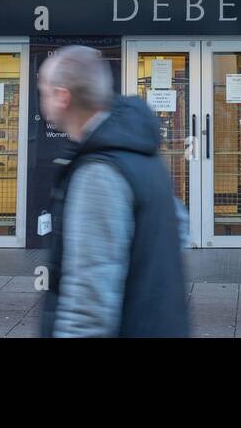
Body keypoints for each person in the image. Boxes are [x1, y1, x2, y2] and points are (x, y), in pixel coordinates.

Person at [36, 44, 190, 338]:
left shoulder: (99, 171)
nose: (42, 100)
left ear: (62, 96)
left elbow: (87, 308)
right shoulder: (143, 154)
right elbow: (178, 229)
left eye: (44, 90)